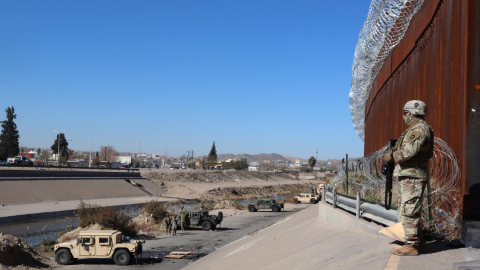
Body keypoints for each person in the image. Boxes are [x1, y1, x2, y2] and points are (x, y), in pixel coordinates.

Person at [383, 100, 434, 256]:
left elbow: (408, 152)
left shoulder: (419, 129)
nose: (404, 117)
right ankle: (417, 239)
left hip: (412, 175)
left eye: (405, 114)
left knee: (409, 209)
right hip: (409, 174)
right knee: (409, 207)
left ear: (411, 114)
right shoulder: (416, 129)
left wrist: (392, 156)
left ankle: (411, 245)